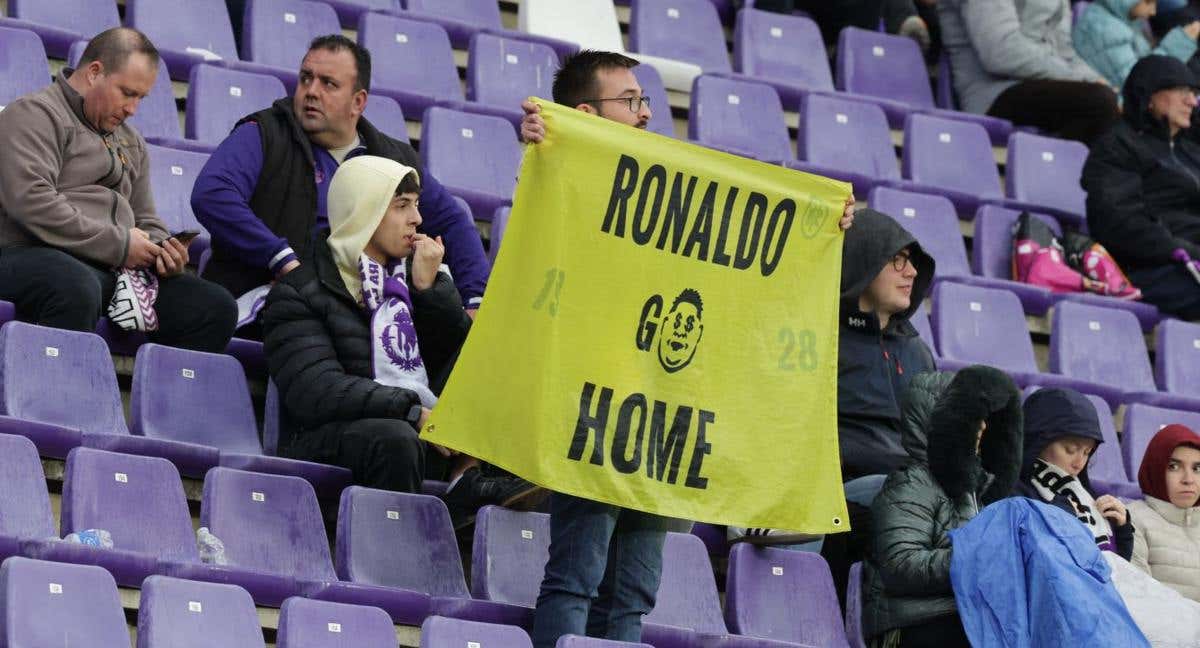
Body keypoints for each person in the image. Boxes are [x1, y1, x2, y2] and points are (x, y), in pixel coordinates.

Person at [518, 50, 857, 646]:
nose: (647, 114)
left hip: (659, 420)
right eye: (630, 101)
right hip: (592, 414)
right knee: (576, 577)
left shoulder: (669, 182)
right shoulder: (559, 168)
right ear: (585, 112)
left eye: (645, 100)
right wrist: (546, 148)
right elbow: (539, 237)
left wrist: (820, 224)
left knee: (633, 595)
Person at [261, 155, 536, 513]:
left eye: (417, 205)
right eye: (402, 206)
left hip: (418, 430)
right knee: (395, 438)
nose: (417, 219)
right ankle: (399, 547)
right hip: (333, 435)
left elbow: (463, 363)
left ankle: (466, 481)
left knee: (501, 348)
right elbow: (316, 390)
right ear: (364, 211)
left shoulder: (413, 278)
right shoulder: (299, 291)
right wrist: (410, 411)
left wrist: (430, 292)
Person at [191, 35, 489, 332]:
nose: (311, 91)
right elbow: (212, 194)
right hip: (271, 300)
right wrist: (280, 259)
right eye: (306, 79)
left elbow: (453, 223)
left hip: (363, 313)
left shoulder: (394, 157)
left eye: (328, 84)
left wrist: (474, 300)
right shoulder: (265, 133)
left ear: (358, 101)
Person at [0, 27, 236, 352]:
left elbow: (146, 218)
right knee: (73, 284)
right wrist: (120, 243)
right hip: (28, 254)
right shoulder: (33, 115)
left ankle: (162, 397)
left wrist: (162, 251)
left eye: (141, 97)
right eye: (127, 93)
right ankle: (55, 395)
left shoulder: (131, 140)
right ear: (95, 72)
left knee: (212, 306)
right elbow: (31, 201)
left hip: (111, 271)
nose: (132, 109)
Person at [863, 365, 1022, 648]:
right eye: (973, 419)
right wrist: (973, 560)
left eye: (985, 419)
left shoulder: (982, 490)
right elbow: (900, 566)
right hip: (913, 621)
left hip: (967, 618)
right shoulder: (912, 482)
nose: (983, 428)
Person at [1081, 55, 1200, 320]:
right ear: (1150, 94)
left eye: (1193, 93)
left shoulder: (1189, 151)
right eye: (1182, 91)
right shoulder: (1118, 146)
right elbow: (1118, 220)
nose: (1191, 101)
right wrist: (1180, 249)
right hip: (1149, 268)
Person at [938, 0, 1120, 143]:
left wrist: (1096, 79)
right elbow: (1000, 52)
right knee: (1098, 103)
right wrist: (1080, 79)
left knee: (1131, 115)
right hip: (994, 91)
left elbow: (1065, 52)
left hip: (1041, 83)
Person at [1014, 388, 1134, 560]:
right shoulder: (1014, 492)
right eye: (1070, 449)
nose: (1079, 463)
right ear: (1038, 441)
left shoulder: (1086, 495)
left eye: (1087, 452)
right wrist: (1063, 512)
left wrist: (1122, 529)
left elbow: (1119, 568)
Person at [1128, 423, 1200, 602]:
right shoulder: (1132, 518)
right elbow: (1140, 600)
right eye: (1174, 467)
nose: (1188, 480)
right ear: (1156, 469)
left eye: (1197, 469)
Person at [1073, 0, 1200, 91]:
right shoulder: (1106, 29)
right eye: (1148, 2)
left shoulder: (1123, 18)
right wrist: (1180, 43)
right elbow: (1137, 82)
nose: (1153, 12)